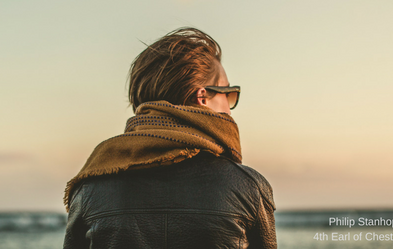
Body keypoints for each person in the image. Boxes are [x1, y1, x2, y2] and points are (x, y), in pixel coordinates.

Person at [63, 28, 277, 249]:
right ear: (202, 97)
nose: (230, 111)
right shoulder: (248, 187)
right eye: (228, 94)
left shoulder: (88, 190)